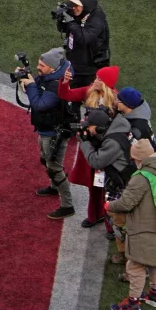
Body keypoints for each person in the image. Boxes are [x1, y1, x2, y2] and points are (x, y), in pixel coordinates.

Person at [108, 140, 156, 310]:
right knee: (154, 262)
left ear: (140, 158)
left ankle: (132, 303)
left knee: (135, 265)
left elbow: (126, 203)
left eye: (133, 158)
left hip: (144, 229)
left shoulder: (141, 177)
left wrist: (109, 206)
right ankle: (155, 295)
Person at [18, 47, 76, 219]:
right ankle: (54, 186)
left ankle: (67, 205)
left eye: (42, 65)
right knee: (45, 160)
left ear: (52, 67)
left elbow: (39, 105)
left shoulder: (56, 84)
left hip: (54, 134)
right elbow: (33, 89)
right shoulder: (48, 76)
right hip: (45, 130)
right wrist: (24, 80)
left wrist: (31, 86)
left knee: (55, 167)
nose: (38, 68)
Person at [59, 66, 120, 228]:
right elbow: (66, 95)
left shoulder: (116, 100)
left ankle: (109, 225)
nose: (95, 81)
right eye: (96, 77)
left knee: (108, 186)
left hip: (107, 148)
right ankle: (94, 216)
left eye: (100, 79)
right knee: (93, 185)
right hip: (89, 145)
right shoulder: (89, 90)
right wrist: (65, 83)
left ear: (107, 83)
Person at [56, 0, 110, 88]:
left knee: (90, 99)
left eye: (77, 5)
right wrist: (62, 19)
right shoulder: (78, 13)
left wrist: (70, 22)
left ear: (86, 4)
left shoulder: (97, 20)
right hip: (74, 63)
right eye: (73, 4)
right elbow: (62, 29)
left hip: (90, 70)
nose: (73, 8)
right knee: (69, 95)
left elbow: (84, 38)